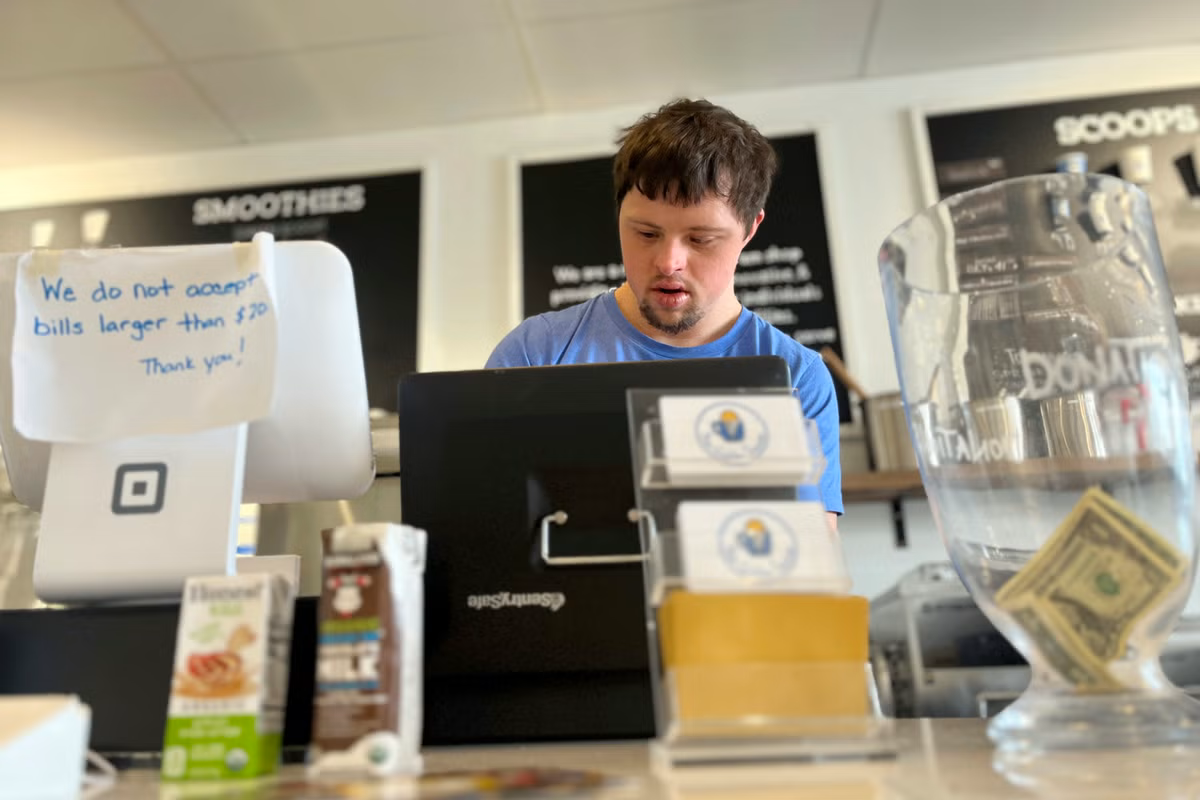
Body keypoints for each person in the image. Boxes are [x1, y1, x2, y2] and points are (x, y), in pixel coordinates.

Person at [486, 98, 842, 523]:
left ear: (750, 230)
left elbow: (815, 556)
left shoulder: (797, 377)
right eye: (646, 232)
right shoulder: (535, 353)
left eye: (700, 238)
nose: (668, 262)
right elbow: (484, 526)